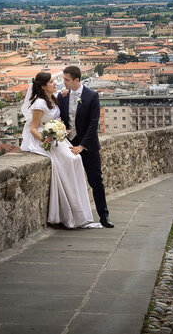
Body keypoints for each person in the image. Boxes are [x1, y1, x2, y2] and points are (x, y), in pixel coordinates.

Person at [20, 72, 100, 229]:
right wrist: (45, 139)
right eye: (51, 82)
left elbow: (65, 96)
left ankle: (79, 212)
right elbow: (33, 128)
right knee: (71, 160)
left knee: (76, 159)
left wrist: (60, 130)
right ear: (43, 86)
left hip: (58, 138)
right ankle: (70, 212)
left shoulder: (53, 97)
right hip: (45, 139)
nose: (55, 83)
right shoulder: (39, 104)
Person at [57, 65, 114, 228]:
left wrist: (82, 146)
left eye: (66, 80)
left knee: (96, 180)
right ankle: (71, 218)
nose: (64, 82)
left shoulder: (92, 96)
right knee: (69, 182)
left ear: (76, 80)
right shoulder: (63, 96)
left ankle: (104, 216)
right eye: (63, 79)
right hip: (68, 144)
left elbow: (93, 123)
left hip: (88, 146)